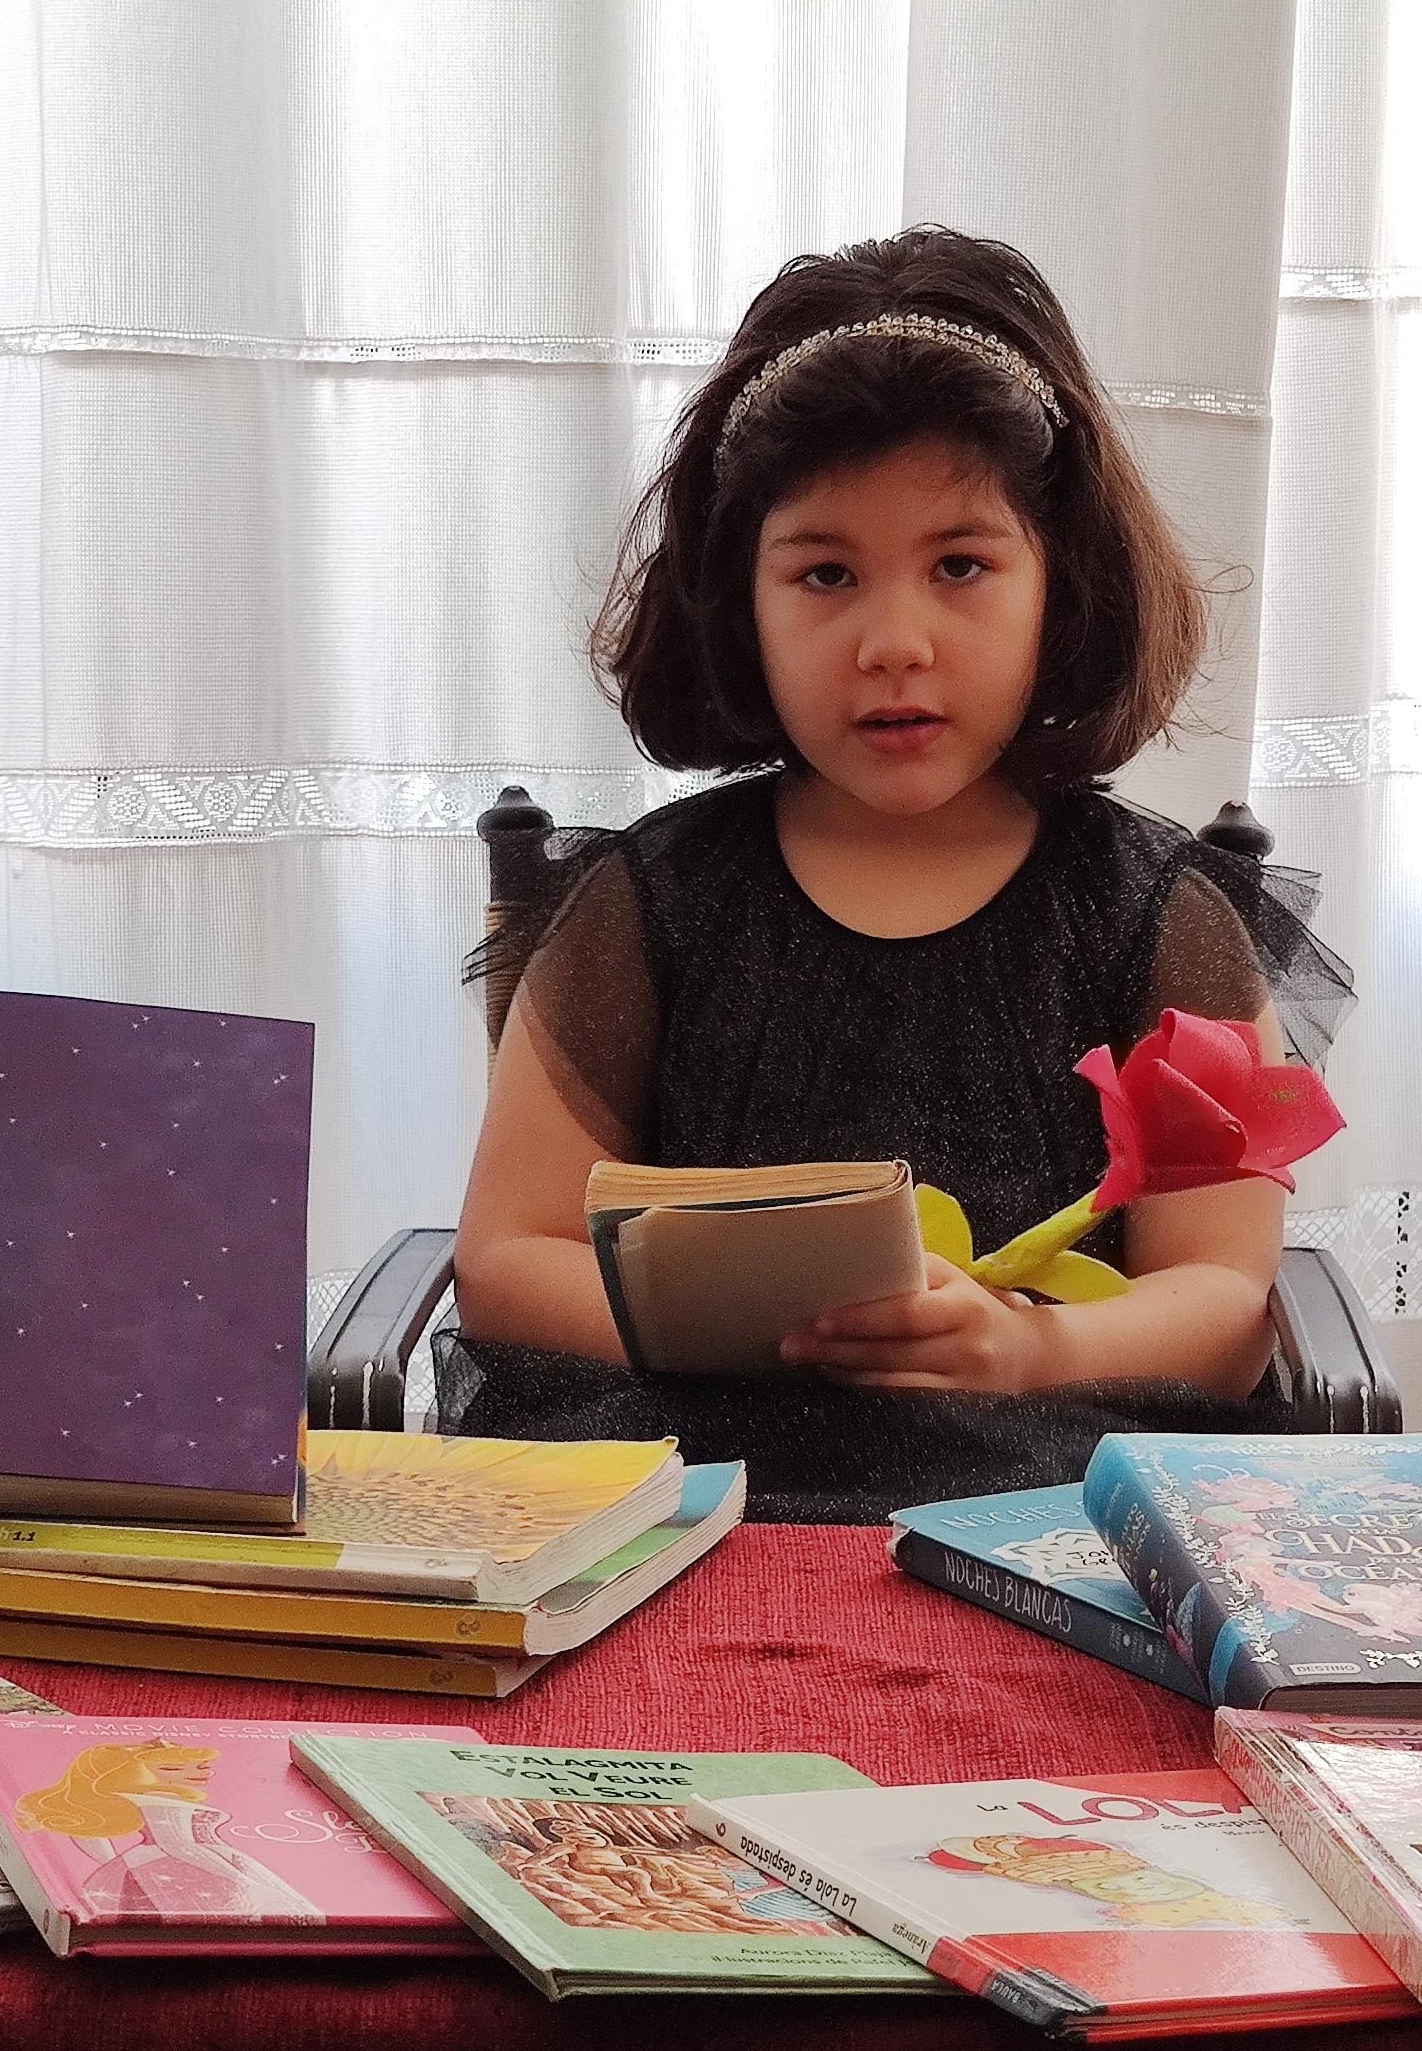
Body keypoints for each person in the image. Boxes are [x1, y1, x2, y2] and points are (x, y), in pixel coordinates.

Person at [439, 224, 1350, 1522]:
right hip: (691, 1511)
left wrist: (1028, 1347)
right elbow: (504, 1261)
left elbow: (1223, 1300)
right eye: (825, 574)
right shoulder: (645, 907)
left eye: (961, 566)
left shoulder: (1160, 915)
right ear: (738, 602)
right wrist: (779, 1326)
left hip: (1057, 1509)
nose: (895, 642)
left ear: (1062, 584)